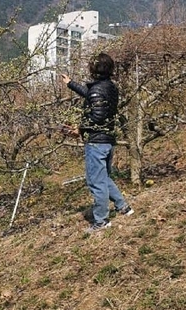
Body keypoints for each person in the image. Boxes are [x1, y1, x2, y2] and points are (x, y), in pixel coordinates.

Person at [60, 52, 134, 233]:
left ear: (94, 69)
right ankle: (123, 207)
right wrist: (71, 84)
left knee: (96, 181)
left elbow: (97, 114)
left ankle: (101, 221)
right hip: (107, 139)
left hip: (96, 142)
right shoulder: (109, 87)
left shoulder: (98, 90)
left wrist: (80, 129)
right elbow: (91, 95)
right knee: (104, 178)